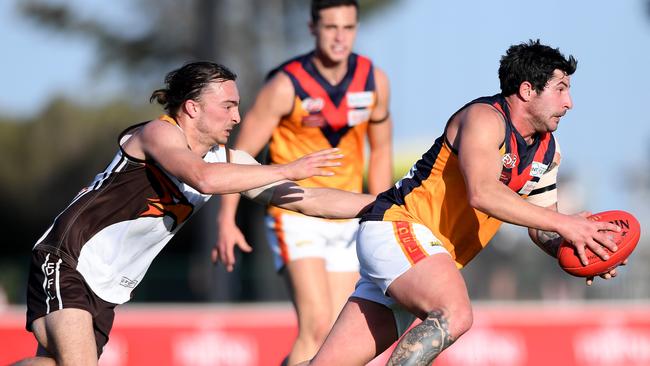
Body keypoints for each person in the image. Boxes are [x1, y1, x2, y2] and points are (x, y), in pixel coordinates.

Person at [13, 61, 375, 366]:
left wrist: (385, 205)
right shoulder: (158, 134)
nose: (237, 116)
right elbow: (203, 179)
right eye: (228, 106)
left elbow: (306, 199)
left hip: (107, 287)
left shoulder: (225, 160)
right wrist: (284, 168)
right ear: (192, 107)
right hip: (69, 260)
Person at [304, 40, 624, 366]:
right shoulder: (485, 119)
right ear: (528, 90)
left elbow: (542, 226)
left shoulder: (546, 150)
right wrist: (566, 223)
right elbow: (482, 192)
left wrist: (582, 248)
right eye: (561, 89)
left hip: (422, 258)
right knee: (454, 315)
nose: (569, 102)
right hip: (400, 228)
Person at [212, 0, 393, 364]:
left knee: (339, 335)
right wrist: (226, 218)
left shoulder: (374, 81)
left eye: (348, 28)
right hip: (294, 213)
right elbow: (238, 157)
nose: (340, 38)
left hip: (348, 214)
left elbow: (382, 151)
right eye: (330, 28)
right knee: (316, 324)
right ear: (313, 29)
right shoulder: (285, 85)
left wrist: (382, 212)